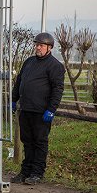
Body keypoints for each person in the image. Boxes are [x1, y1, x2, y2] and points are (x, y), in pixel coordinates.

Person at [10, 32, 65, 185]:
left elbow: (57, 89)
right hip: (26, 108)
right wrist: (13, 100)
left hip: (41, 111)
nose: (38, 47)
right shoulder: (29, 62)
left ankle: (37, 172)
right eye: (37, 45)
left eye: (41, 45)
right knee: (27, 141)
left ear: (49, 48)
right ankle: (25, 171)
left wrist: (51, 109)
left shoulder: (55, 66)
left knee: (40, 142)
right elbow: (19, 82)